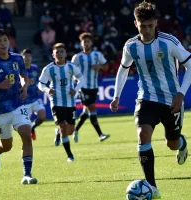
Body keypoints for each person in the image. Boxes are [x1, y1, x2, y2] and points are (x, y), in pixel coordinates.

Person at [110, 2, 191, 199]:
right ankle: (152, 187)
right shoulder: (131, 45)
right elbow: (123, 68)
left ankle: (181, 143)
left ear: (156, 23)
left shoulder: (169, 42)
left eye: (150, 26)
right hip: (146, 97)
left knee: (171, 143)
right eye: (142, 25)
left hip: (172, 101)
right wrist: (116, 95)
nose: (146, 30)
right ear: (135, 23)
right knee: (142, 134)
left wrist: (181, 93)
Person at [0, 28, 37, 184]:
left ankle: (27, 174)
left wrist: (24, 87)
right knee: (6, 146)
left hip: (18, 105)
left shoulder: (17, 59)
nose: (3, 44)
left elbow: (23, 76)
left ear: (9, 41)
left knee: (26, 134)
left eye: (5, 40)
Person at [38, 43, 84, 162]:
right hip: (56, 102)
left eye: (62, 51)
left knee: (69, 130)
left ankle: (58, 132)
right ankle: (70, 155)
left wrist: (76, 89)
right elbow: (41, 84)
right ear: (53, 55)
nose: (59, 54)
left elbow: (82, 79)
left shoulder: (71, 67)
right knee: (63, 127)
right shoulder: (49, 69)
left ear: (65, 53)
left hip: (70, 102)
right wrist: (47, 90)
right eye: (57, 52)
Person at [71, 32, 110, 143]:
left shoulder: (97, 55)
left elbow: (106, 66)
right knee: (92, 107)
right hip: (83, 87)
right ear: (81, 43)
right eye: (84, 41)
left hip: (94, 86)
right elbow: (71, 70)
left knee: (87, 111)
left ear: (91, 43)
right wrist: (74, 79)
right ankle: (100, 134)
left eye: (88, 41)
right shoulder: (77, 57)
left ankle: (75, 130)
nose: (86, 43)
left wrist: (100, 67)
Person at [21, 48, 46, 140]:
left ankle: (33, 127)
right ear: (22, 57)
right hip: (25, 102)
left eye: (29, 56)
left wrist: (40, 87)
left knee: (42, 116)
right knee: (25, 126)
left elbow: (39, 80)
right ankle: (28, 134)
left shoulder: (35, 68)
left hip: (35, 99)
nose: (27, 57)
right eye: (25, 56)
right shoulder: (20, 70)